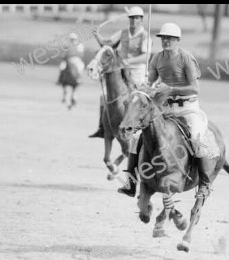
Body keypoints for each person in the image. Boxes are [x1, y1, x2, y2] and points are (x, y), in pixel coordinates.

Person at [118, 23, 212, 200]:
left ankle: (205, 184)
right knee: (137, 138)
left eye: (169, 38)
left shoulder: (186, 59)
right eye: (163, 38)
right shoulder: (156, 59)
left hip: (188, 107)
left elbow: (195, 88)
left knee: (197, 137)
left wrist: (170, 89)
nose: (165, 41)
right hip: (166, 107)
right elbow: (151, 83)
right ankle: (131, 183)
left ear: (178, 40)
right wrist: (143, 88)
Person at [89, 6, 151, 138]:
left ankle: (142, 129)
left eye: (136, 18)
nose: (133, 21)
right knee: (105, 97)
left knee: (140, 99)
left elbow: (146, 56)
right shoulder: (122, 33)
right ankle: (103, 128)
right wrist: (97, 35)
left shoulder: (145, 36)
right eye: (131, 18)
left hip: (138, 73)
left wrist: (129, 60)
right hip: (122, 71)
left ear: (141, 20)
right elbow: (107, 44)